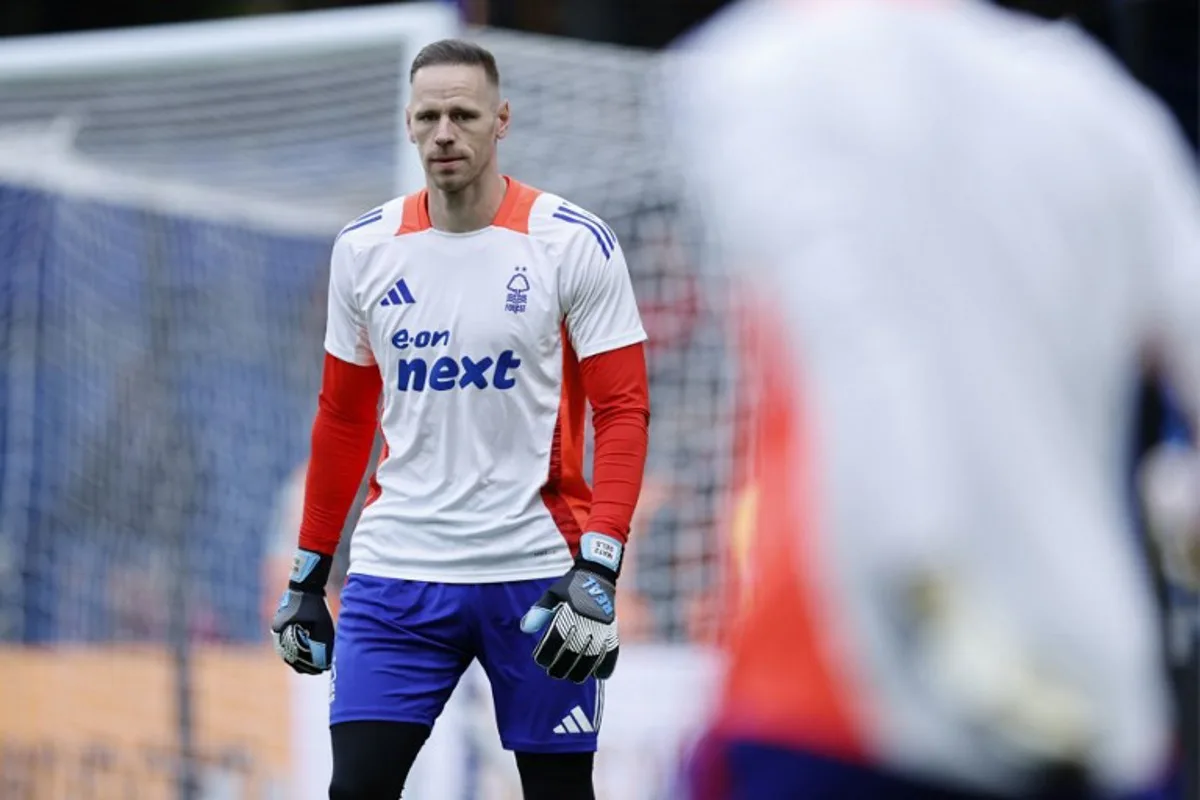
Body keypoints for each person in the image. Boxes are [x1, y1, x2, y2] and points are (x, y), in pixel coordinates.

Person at [667, 0, 1200, 798]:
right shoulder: (1102, 107)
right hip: (1096, 711)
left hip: (843, 702)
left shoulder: (753, 72)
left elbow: (860, 343)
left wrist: (937, 608)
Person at [269, 39, 650, 800]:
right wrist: (309, 576)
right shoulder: (364, 249)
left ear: (500, 121)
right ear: (408, 125)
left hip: (536, 575)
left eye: (464, 114)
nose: (445, 132)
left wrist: (599, 567)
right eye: (429, 115)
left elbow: (623, 409)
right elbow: (342, 419)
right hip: (396, 573)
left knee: (558, 791)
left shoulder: (571, 242)